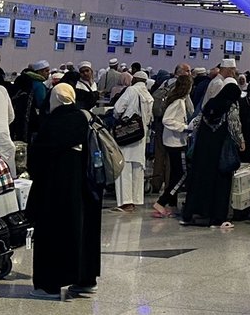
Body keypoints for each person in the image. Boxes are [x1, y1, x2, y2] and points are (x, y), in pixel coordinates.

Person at [26, 82, 102, 297]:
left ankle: (49, 285)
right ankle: (85, 279)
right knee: (83, 232)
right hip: (86, 189)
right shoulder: (85, 119)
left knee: (53, 235)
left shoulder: (52, 123)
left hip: (54, 191)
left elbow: (37, 161)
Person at [181, 74, 238, 228]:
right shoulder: (230, 107)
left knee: (199, 181)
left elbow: (197, 122)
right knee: (220, 186)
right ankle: (217, 217)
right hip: (220, 153)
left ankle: (191, 213)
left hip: (203, 151)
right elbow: (234, 128)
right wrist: (241, 143)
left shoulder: (210, 104)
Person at [107, 69, 154, 210]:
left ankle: (126, 202)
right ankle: (136, 200)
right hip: (141, 136)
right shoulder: (148, 95)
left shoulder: (131, 91)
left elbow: (118, 108)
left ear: (134, 80)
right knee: (137, 168)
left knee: (124, 168)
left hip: (127, 135)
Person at [153, 67, 195, 216]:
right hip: (175, 143)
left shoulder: (178, 100)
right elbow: (167, 120)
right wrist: (184, 128)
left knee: (176, 174)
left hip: (174, 141)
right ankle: (162, 202)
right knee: (182, 175)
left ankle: (166, 201)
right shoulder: (178, 102)